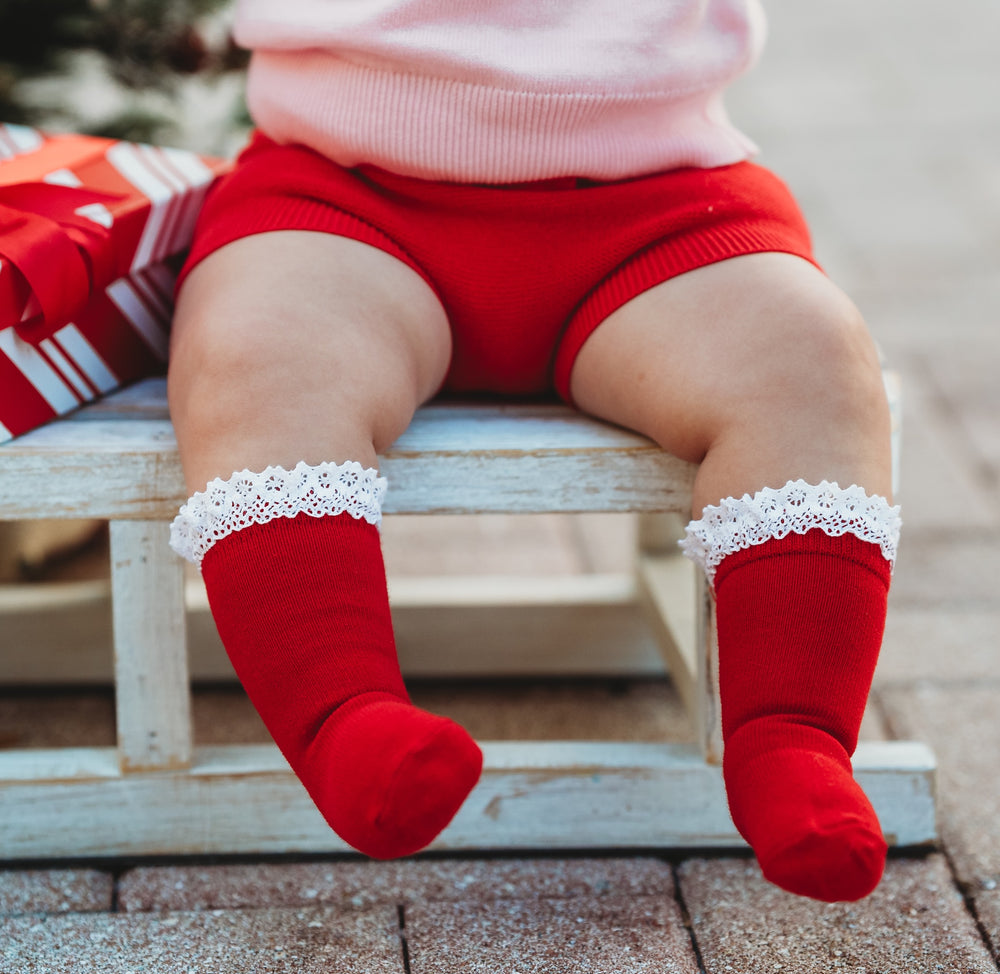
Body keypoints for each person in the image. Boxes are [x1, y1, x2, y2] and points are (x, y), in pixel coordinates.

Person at [166, 0, 900, 902]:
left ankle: (794, 736)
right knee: (259, 355)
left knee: (807, 358)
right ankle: (342, 716)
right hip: (341, 191)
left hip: (664, 197)